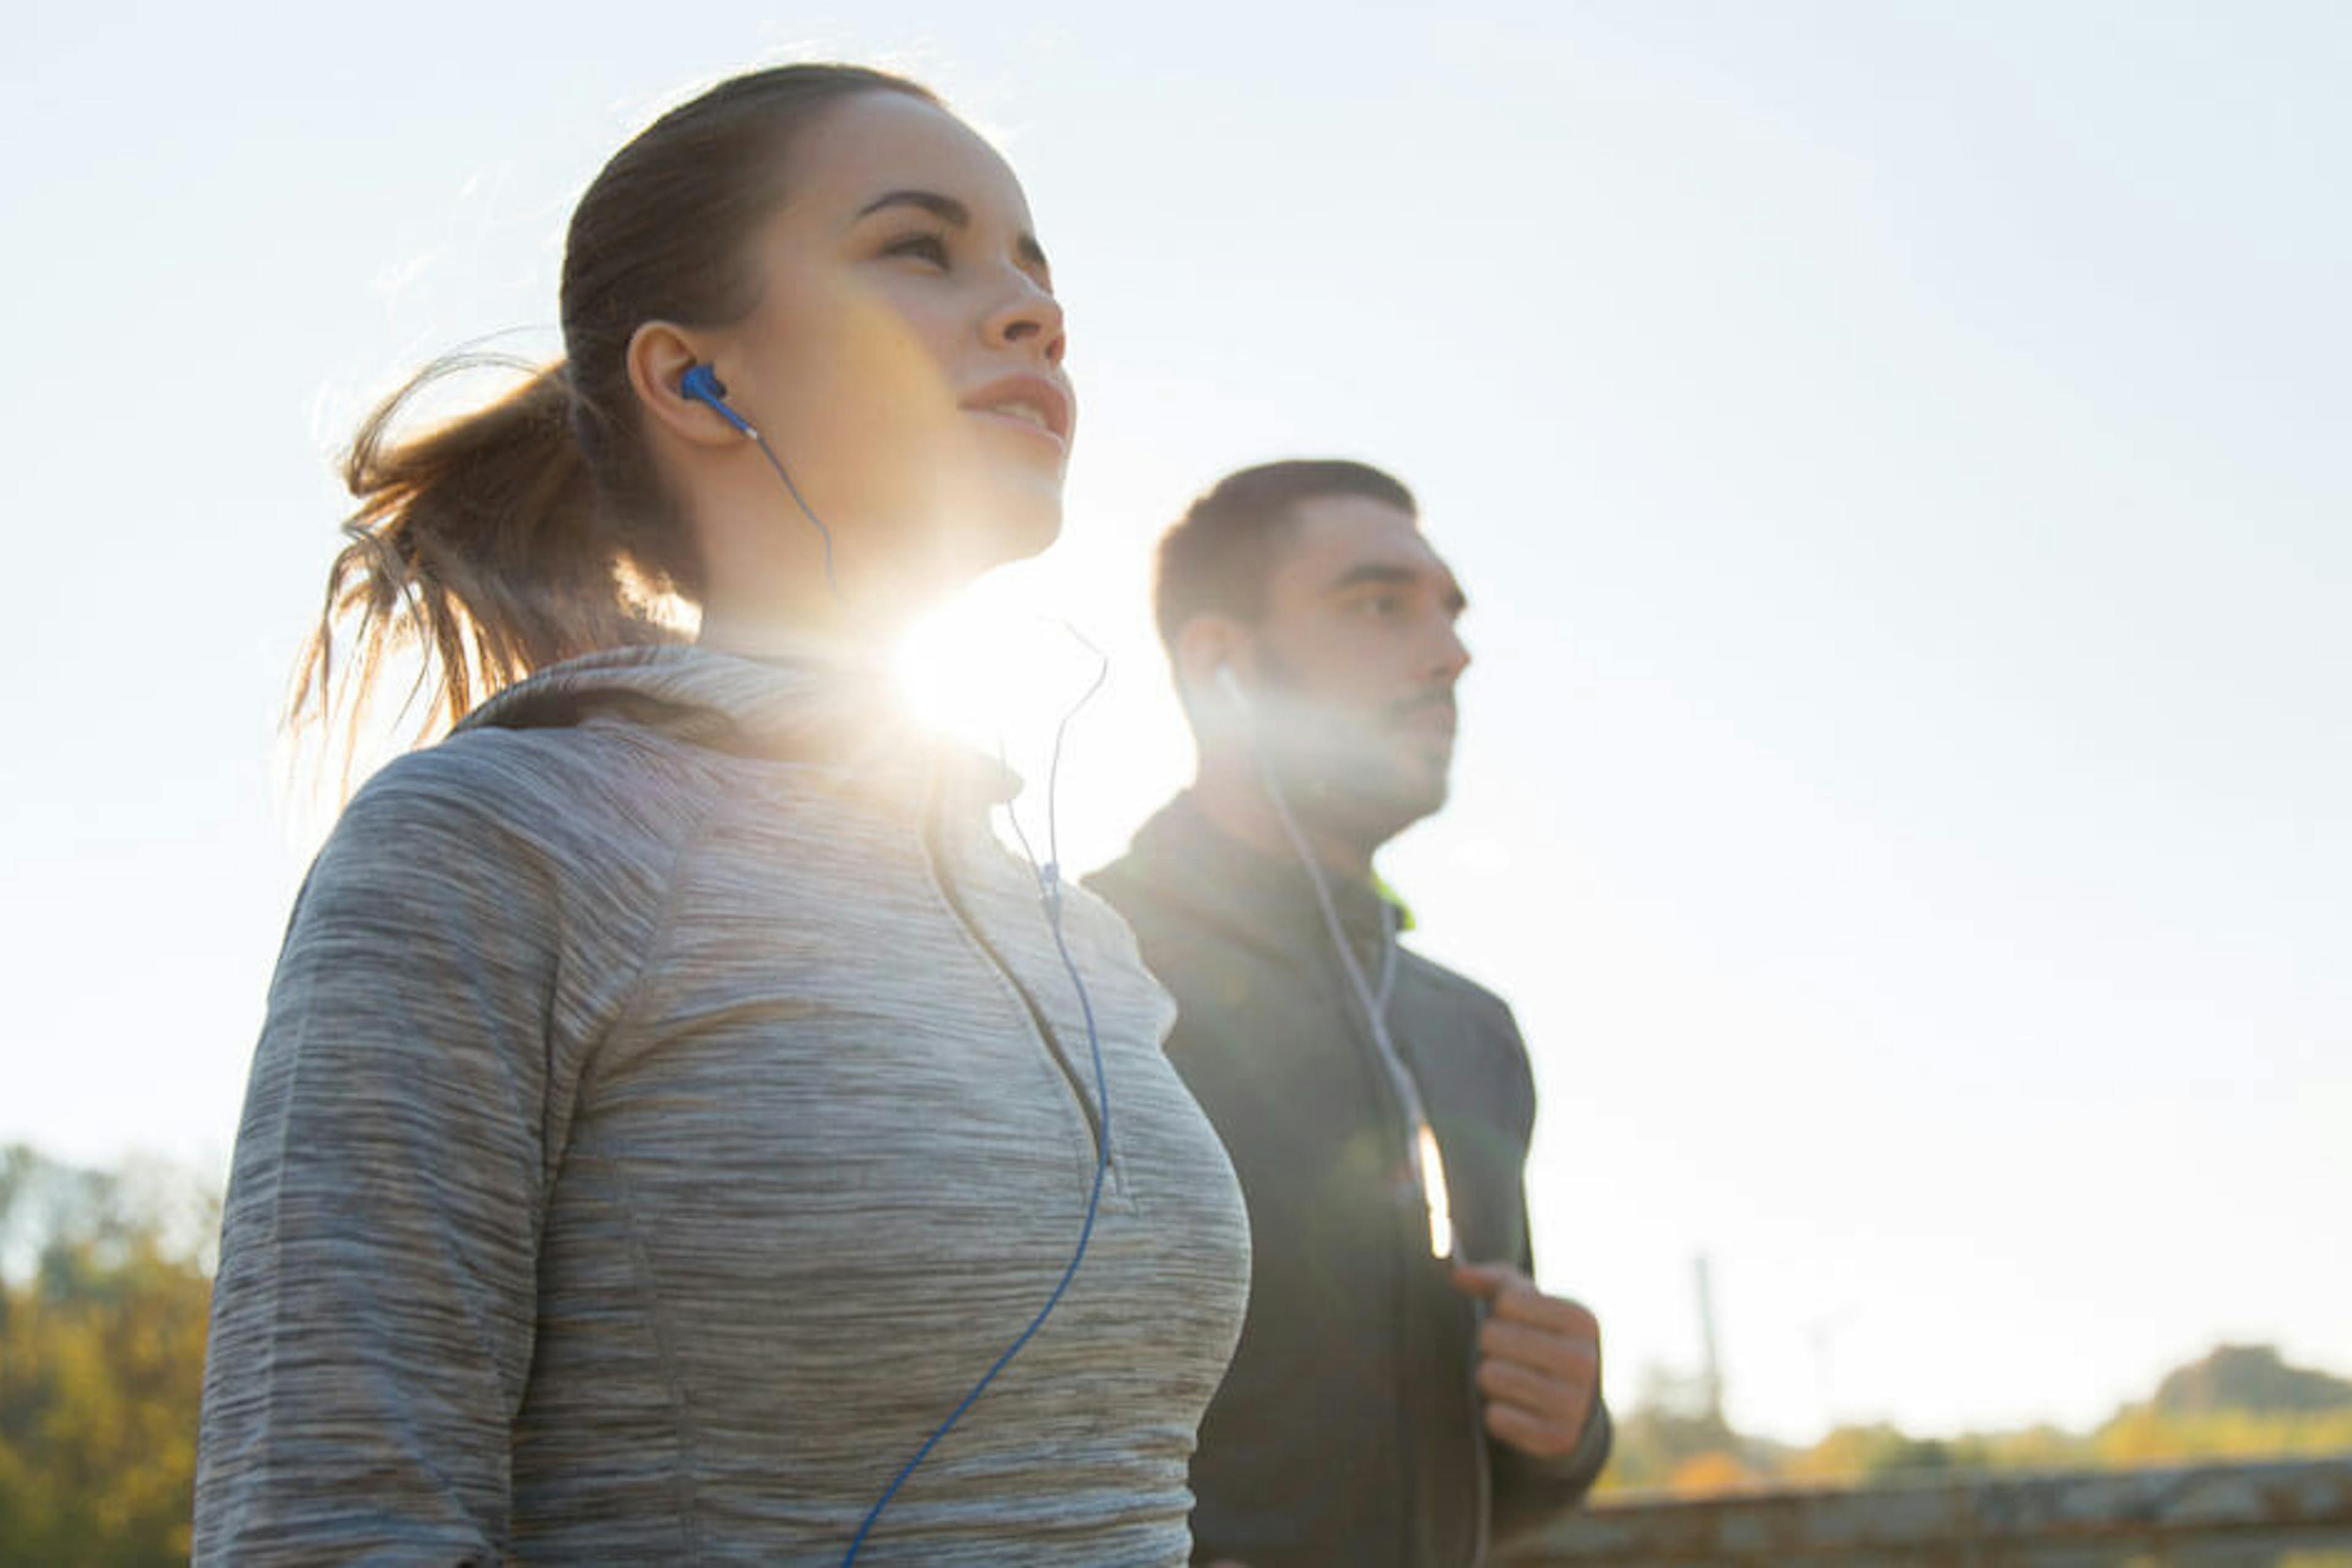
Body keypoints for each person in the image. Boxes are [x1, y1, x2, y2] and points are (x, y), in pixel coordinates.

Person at [195, 64, 1250, 1565]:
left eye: (1034, 268)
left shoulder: (1079, 933)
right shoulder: (497, 841)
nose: (1032, 311)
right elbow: (331, 1521)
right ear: (698, 377)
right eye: (919, 248)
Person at [1086, 461, 1611, 1567]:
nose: (1450, 654)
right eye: (1381, 606)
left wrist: (1564, 1433)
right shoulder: (1069, 969)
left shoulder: (1473, 1032)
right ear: (1223, 666)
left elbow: (1446, 1486)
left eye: (1450, 613)